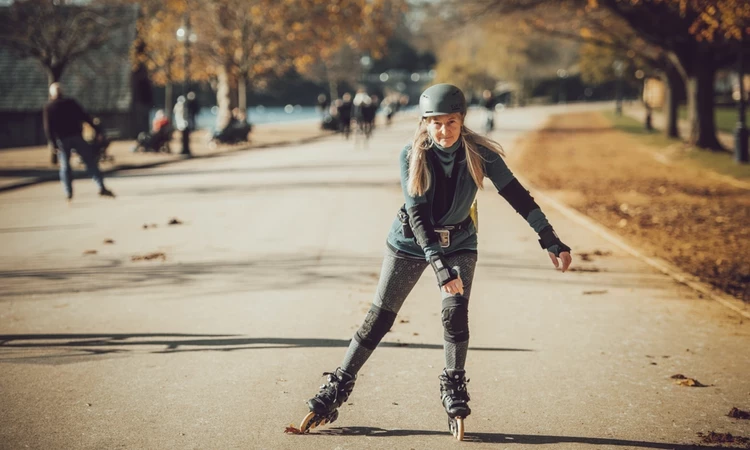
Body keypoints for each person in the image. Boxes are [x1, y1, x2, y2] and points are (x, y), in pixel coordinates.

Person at [298, 84, 573, 439]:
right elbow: (418, 216)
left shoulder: (481, 154)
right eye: (435, 123)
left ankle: (454, 384)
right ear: (425, 122)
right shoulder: (413, 154)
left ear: (462, 121)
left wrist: (549, 238)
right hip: (412, 241)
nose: (443, 131)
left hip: (460, 240)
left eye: (451, 123)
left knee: (454, 312)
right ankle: (338, 384)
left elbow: (518, 196)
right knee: (378, 319)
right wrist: (440, 268)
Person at [43, 82, 115, 201]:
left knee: (65, 166)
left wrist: (53, 143)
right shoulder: (71, 103)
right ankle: (100, 185)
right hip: (76, 137)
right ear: (62, 92)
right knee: (90, 162)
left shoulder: (49, 107)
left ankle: (68, 192)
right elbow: (85, 116)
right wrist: (97, 130)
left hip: (62, 140)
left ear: (51, 94)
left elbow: (48, 128)